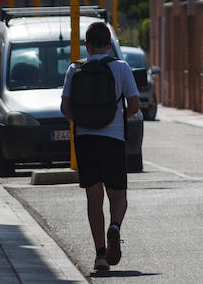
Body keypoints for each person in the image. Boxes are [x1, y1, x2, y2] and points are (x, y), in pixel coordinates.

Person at [61, 21, 140, 272]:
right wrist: (115, 120)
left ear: (86, 45)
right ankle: (115, 227)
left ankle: (100, 256)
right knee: (119, 195)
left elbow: (65, 108)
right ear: (109, 44)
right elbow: (135, 104)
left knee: (94, 198)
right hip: (113, 139)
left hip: (86, 140)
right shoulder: (121, 67)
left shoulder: (75, 69)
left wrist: (84, 121)